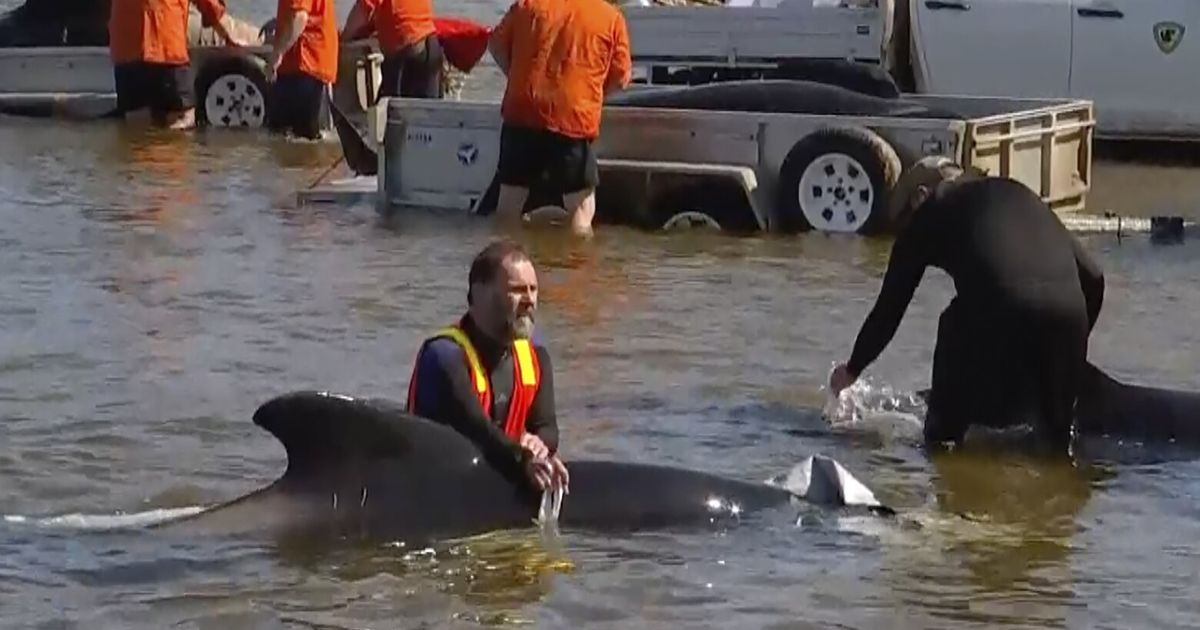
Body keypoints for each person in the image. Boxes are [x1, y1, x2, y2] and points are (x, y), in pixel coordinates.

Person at [828, 156, 1106, 454]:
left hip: (999, 310)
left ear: (920, 196)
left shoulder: (931, 209)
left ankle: (945, 446)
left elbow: (889, 310)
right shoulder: (1018, 192)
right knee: (1057, 450)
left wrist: (852, 369)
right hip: (1069, 316)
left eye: (904, 220)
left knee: (942, 445)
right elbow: (1094, 277)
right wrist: (1069, 351)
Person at [406, 240, 569, 494]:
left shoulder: (537, 357)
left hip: (503, 467)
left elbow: (548, 428)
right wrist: (523, 459)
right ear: (478, 295)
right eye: (516, 290)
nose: (529, 300)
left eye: (533, 289)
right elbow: (477, 430)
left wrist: (539, 448)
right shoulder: (444, 356)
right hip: (437, 484)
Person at [486, 0, 632, 237]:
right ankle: (576, 267)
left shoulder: (527, 5)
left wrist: (516, 77)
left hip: (522, 110)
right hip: (573, 117)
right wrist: (591, 93)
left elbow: (495, 44)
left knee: (509, 203)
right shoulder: (610, 17)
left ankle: (506, 262)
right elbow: (620, 78)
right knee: (581, 208)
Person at [107, 0, 242, 129]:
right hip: (165, 47)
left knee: (135, 126)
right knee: (183, 118)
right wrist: (228, 36)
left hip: (126, 49)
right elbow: (210, 6)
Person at [340, 0, 443, 99]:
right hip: (429, 42)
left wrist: (343, 39)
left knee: (394, 112)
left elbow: (363, 10)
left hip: (405, 49)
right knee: (429, 111)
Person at [266, 0, 339, 140]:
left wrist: (278, 54)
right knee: (283, 135)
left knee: (299, 136)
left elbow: (300, 17)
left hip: (306, 63)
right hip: (305, 64)